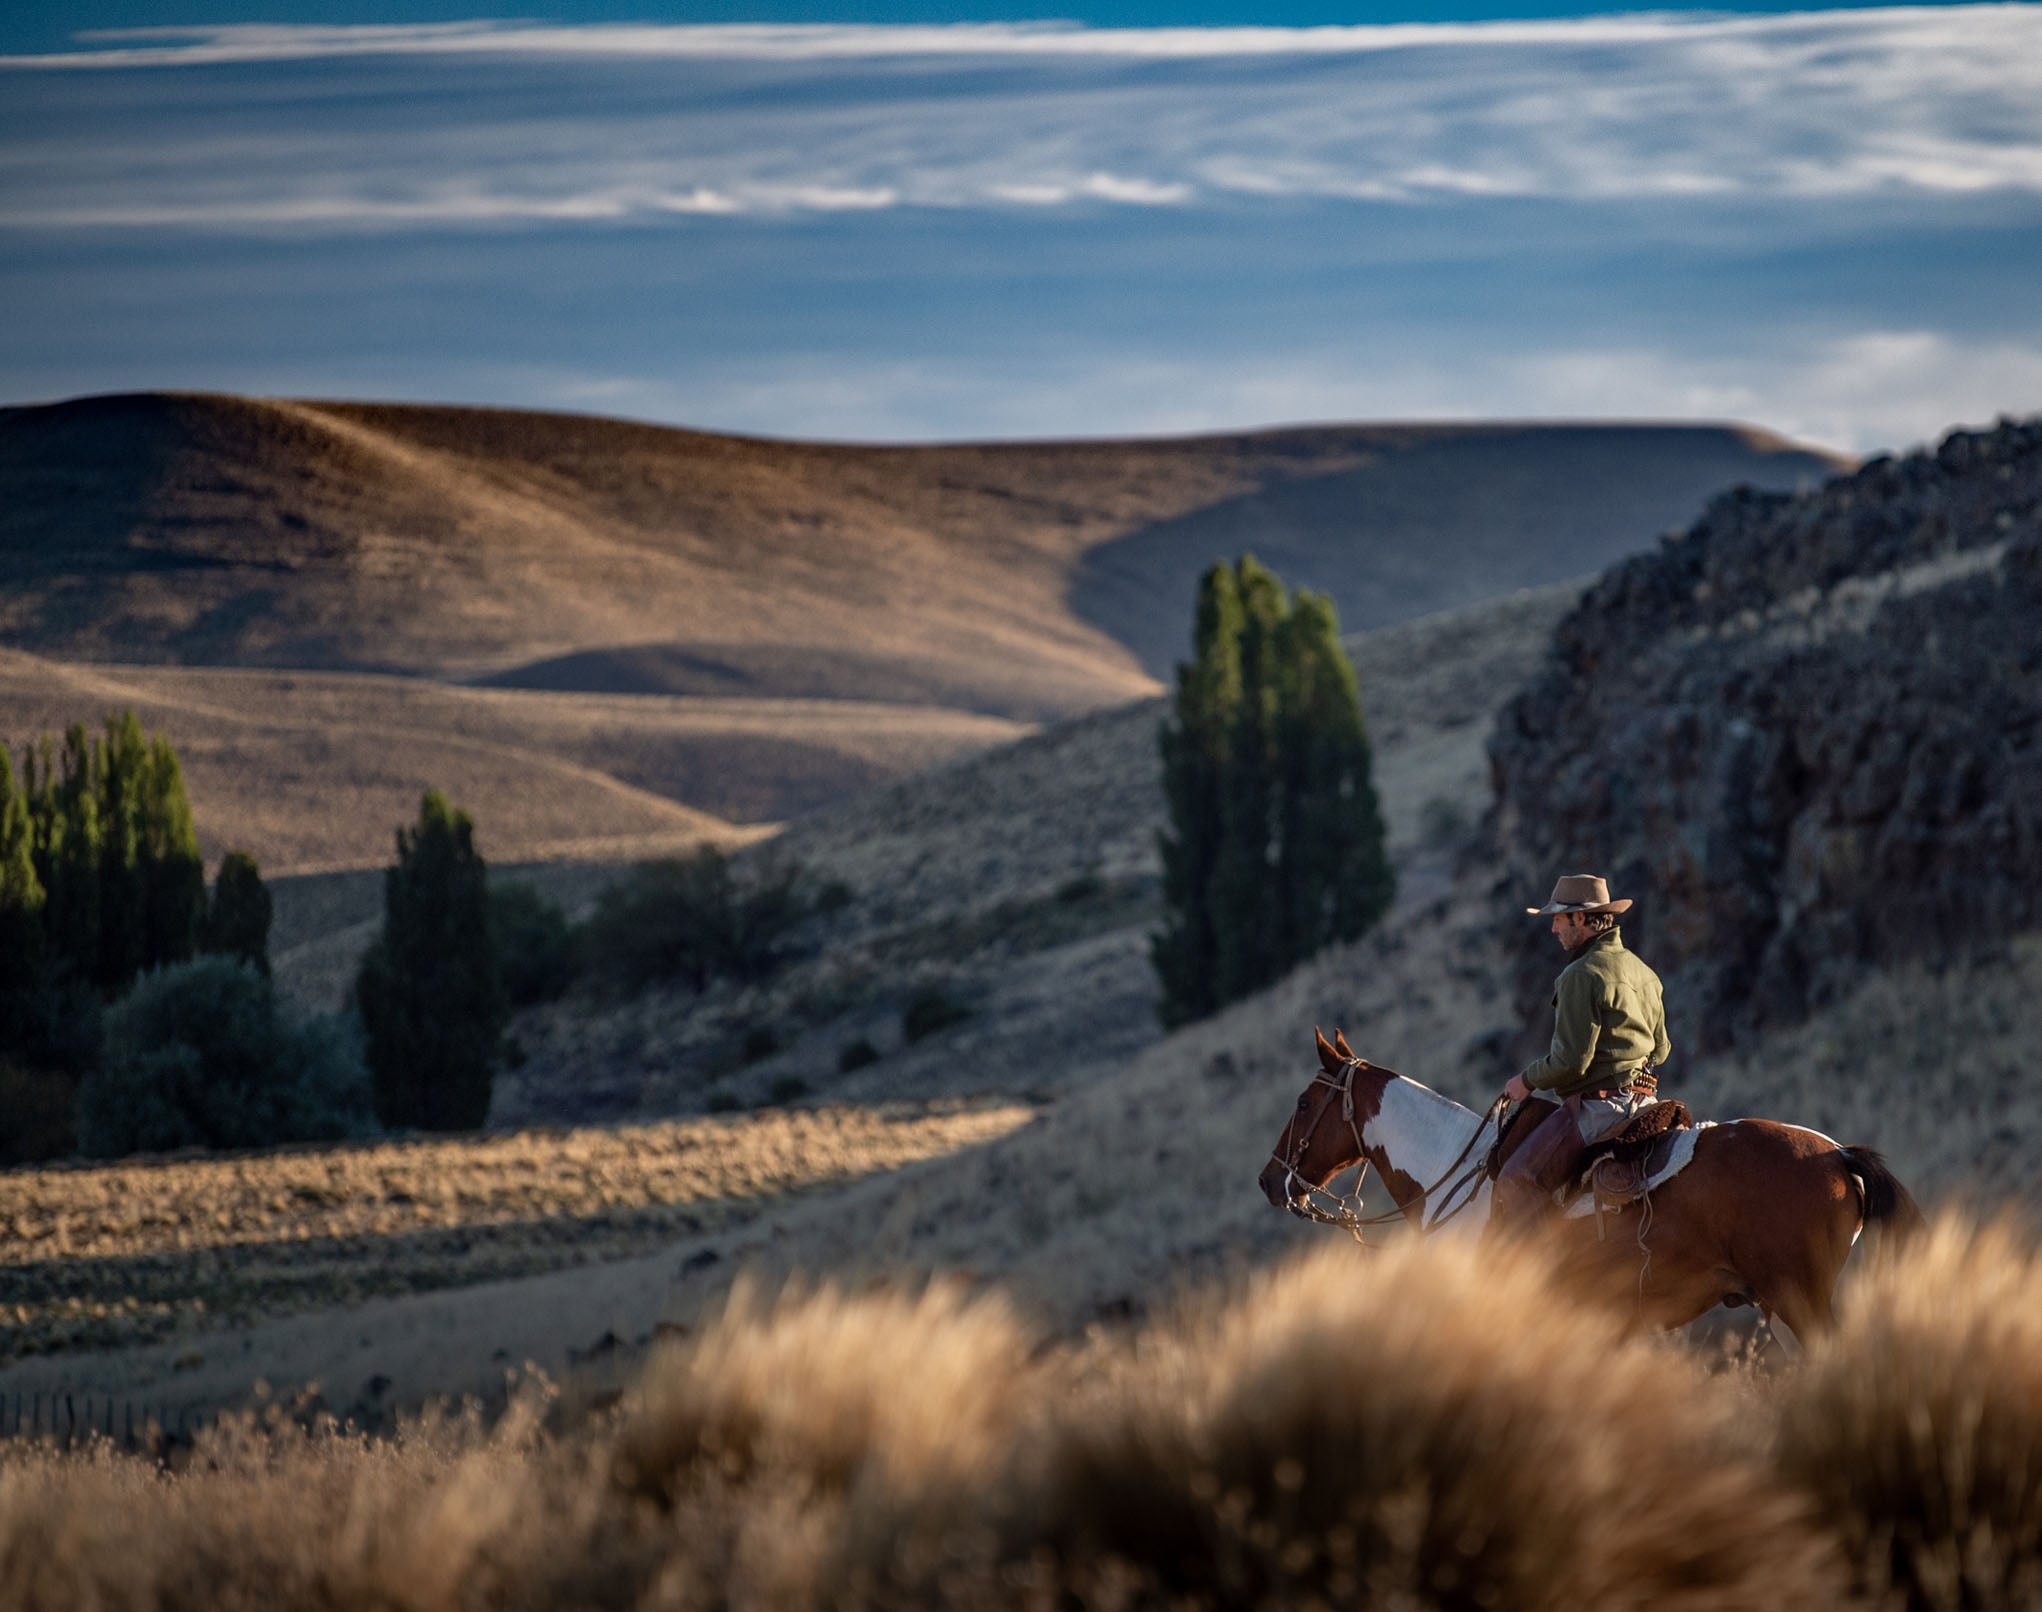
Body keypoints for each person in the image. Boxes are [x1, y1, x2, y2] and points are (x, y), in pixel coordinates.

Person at [1487, 874, 1671, 1240]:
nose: (1553, 928)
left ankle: (1548, 1284)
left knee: (1516, 1178)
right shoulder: (1643, 972)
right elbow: (1662, 1050)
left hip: (1600, 1110)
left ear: (1582, 920)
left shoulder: (1579, 975)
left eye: (1558, 918)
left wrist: (1525, 1081)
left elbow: (1572, 1061)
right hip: (1645, 1100)